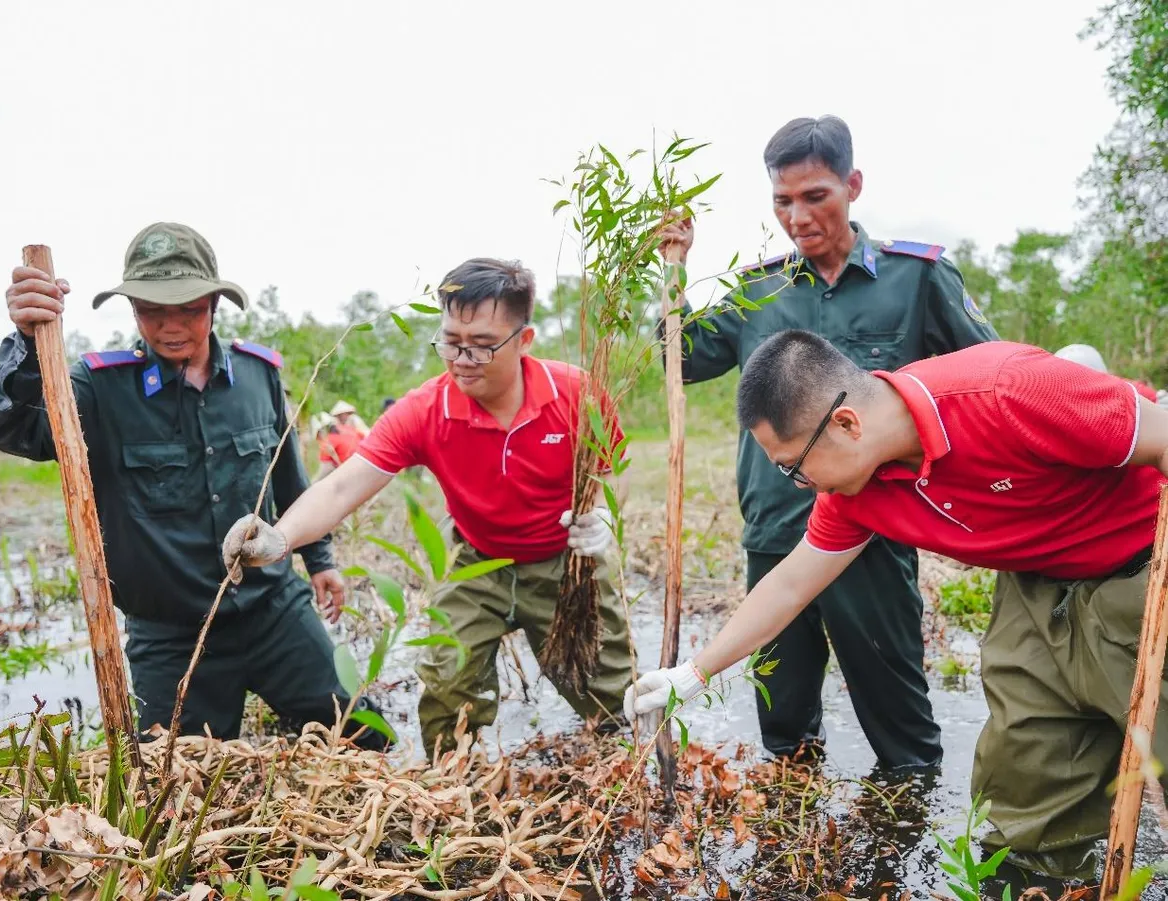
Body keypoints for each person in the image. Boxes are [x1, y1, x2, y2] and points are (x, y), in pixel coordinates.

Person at [627, 329, 1168, 881]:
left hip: (1143, 570)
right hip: (1034, 586)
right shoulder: (857, 493)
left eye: (794, 466)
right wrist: (692, 673)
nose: (797, 484)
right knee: (1026, 781)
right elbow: (791, 584)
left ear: (845, 424)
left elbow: (1163, 436)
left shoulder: (1008, 390)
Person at [656, 115, 997, 768]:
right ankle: (796, 842)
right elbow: (682, 358)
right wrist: (675, 271)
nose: (797, 216)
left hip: (873, 532)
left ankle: (904, 841)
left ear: (853, 185)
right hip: (776, 530)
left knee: (902, 731)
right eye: (782, 201)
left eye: (816, 196)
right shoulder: (758, 289)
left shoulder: (917, 277)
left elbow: (984, 374)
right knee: (782, 724)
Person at [0, 222, 387, 749]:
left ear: (215, 304)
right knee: (174, 783)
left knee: (362, 736)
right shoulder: (98, 387)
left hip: (275, 611)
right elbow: (12, 430)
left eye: (189, 309)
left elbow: (286, 474)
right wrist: (28, 343)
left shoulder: (257, 374)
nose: (171, 326)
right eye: (153, 310)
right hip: (172, 634)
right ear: (132, 311)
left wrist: (322, 559)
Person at [222, 257, 633, 756]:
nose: (461, 359)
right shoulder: (426, 409)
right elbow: (340, 488)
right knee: (447, 685)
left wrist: (606, 518)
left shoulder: (574, 391)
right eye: (451, 341)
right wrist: (280, 537)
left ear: (524, 341)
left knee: (611, 689)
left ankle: (624, 772)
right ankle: (451, 784)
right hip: (477, 561)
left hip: (565, 559)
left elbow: (614, 468)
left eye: (482, 346)